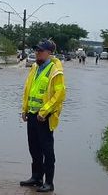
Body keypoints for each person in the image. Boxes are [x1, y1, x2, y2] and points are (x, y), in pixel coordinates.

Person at [20, 39, 66, 193]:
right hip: (32, 115)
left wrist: (44, 111)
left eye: (40, 50)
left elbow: (59, 94)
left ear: (49, 52)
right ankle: (36, 177)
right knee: (34, 148)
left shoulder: (55, 70)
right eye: (36, 50)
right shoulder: (34, 67)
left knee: (47, 151)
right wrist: (24, 109)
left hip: (45, 117)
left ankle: (49, 183)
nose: (37, 53)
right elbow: (28, 90)